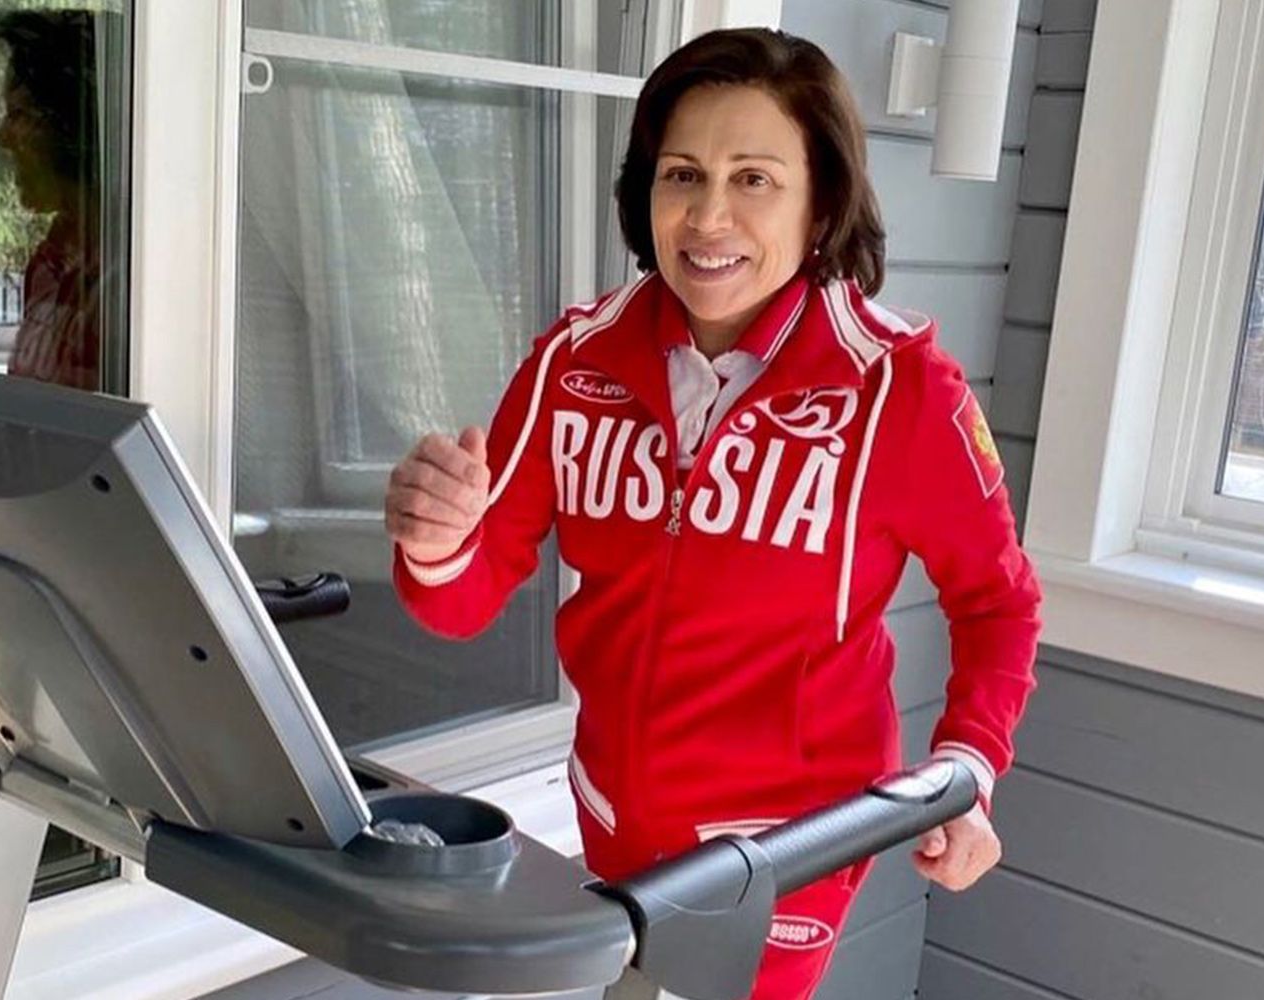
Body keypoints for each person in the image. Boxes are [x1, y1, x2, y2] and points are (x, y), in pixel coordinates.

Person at [387, 28, 1041, 1000]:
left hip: (791, 845)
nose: (707, 215)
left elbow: (997, 601)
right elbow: (462, 598)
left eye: (754, 179)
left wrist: (968, 767)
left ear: (823, 203)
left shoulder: (899, 389)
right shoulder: (574, 362)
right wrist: (438, 542)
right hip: (614, 808)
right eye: (682, 174)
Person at [0, 10, 109, 392]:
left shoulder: (130, 286)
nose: (2, 137)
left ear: (72, 128)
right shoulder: (50, 263)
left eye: (20, 115)